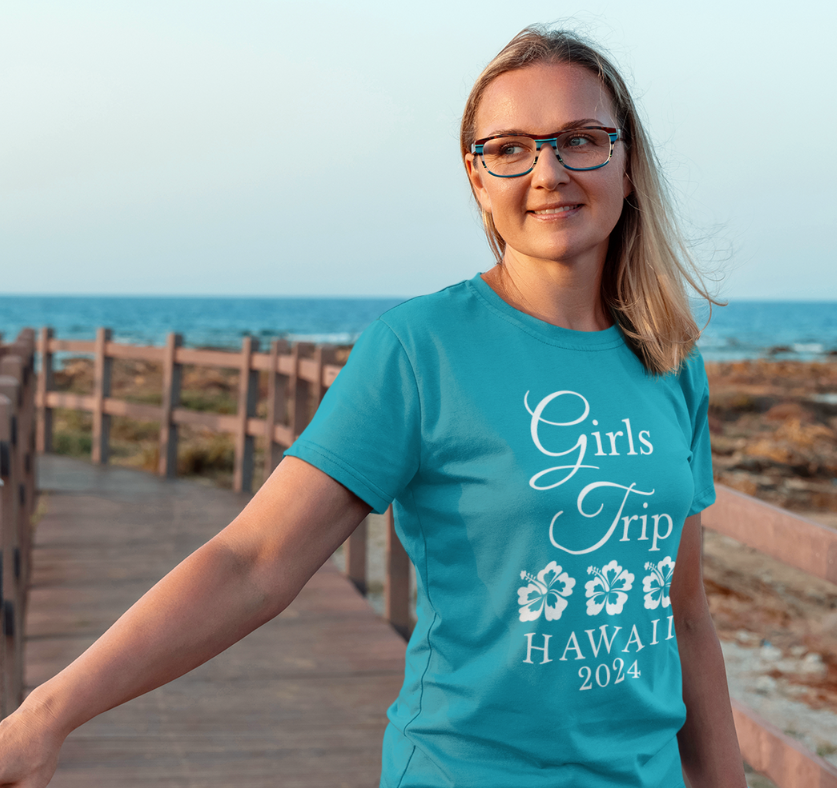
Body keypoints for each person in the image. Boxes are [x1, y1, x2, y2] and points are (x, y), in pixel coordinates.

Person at [0, 25, 747, 788]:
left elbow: (684, 615)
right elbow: (254, 561)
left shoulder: (668, 359)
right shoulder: (421, 350)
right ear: (478, 178)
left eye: (580, 140)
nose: (548, 172)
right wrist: (44, 717)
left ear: (627, 163)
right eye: (511, 149)